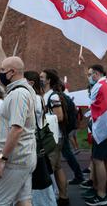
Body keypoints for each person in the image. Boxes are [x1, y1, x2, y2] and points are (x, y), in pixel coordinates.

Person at [0, 55, 37, 206]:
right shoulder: (25, 90)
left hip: (15, 161)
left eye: (2, 70)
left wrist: (1, 160)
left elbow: (16, 129)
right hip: (23, 157)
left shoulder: (18, 94)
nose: (0, 73)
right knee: (22, 201)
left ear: (12, 72)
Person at [23, 71, 56, 206]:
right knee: (40, 175)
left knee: (37, 177)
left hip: (34, 140)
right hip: (38, 139)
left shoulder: (34, 98)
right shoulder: (39, 97)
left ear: (30, 83)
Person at [83, 64, 107, 206]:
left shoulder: (99, 86)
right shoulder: (106, 84)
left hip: (102, 129)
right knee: (106, 160)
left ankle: (101, 194)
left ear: (96, 73)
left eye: (90, 74)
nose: (89, 77)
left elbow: (95, 105)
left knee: (98, 160)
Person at [40, 69, 70, 206]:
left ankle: (53, 199)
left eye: (42, 77)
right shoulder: (46, 95)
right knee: (57, 168)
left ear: (48, 80)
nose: (40, 79)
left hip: (53, 137)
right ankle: (63, 198)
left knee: (49, 169)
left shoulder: (53, 97)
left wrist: (42, 118)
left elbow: (59, 116)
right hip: (52, 137)